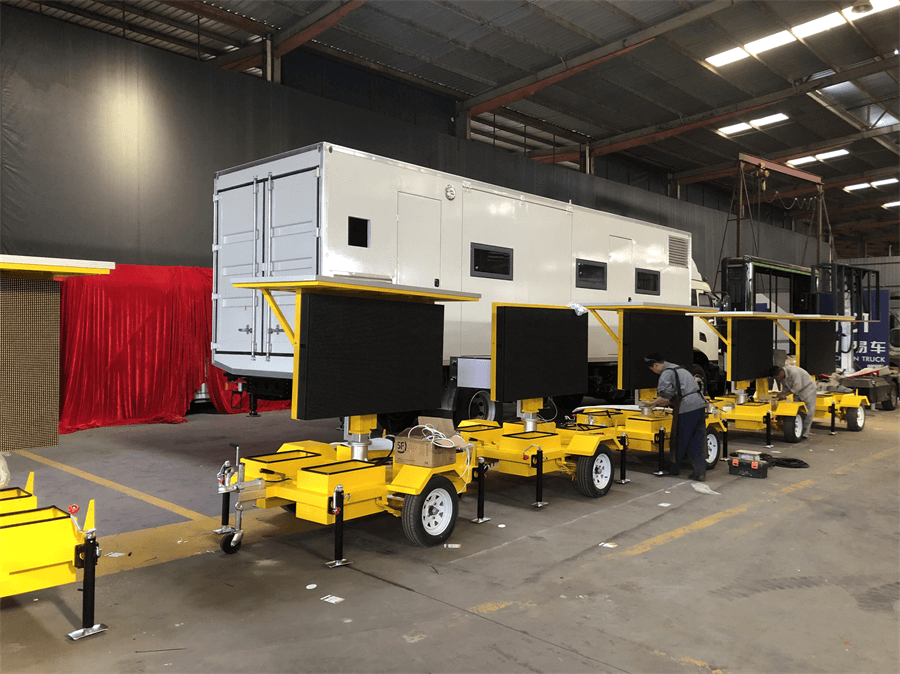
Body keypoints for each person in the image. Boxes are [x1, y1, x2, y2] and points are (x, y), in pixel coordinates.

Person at [645, 353, 708, 481]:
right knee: (697, 439)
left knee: (680, 438)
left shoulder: (666, 373)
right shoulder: (680, 369)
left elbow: (665, 397)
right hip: (700, 404)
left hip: (687, 407)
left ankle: (674, 469)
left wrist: (652, 404)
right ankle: (700, 472)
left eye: (652, 369)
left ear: (655, 365)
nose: (653, 372)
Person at [769, 365, 817, 439]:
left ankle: (805, 433)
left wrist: (786, 394)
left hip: (808, 389)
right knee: (798, 411)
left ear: (781, 373)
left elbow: (797, 386)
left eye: (777, 377)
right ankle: (798, 430)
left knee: (808, 412)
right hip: (797, 392)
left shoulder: (794, 372)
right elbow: (786, 386)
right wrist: (781, 394)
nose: (777, 379)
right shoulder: (783, 376)